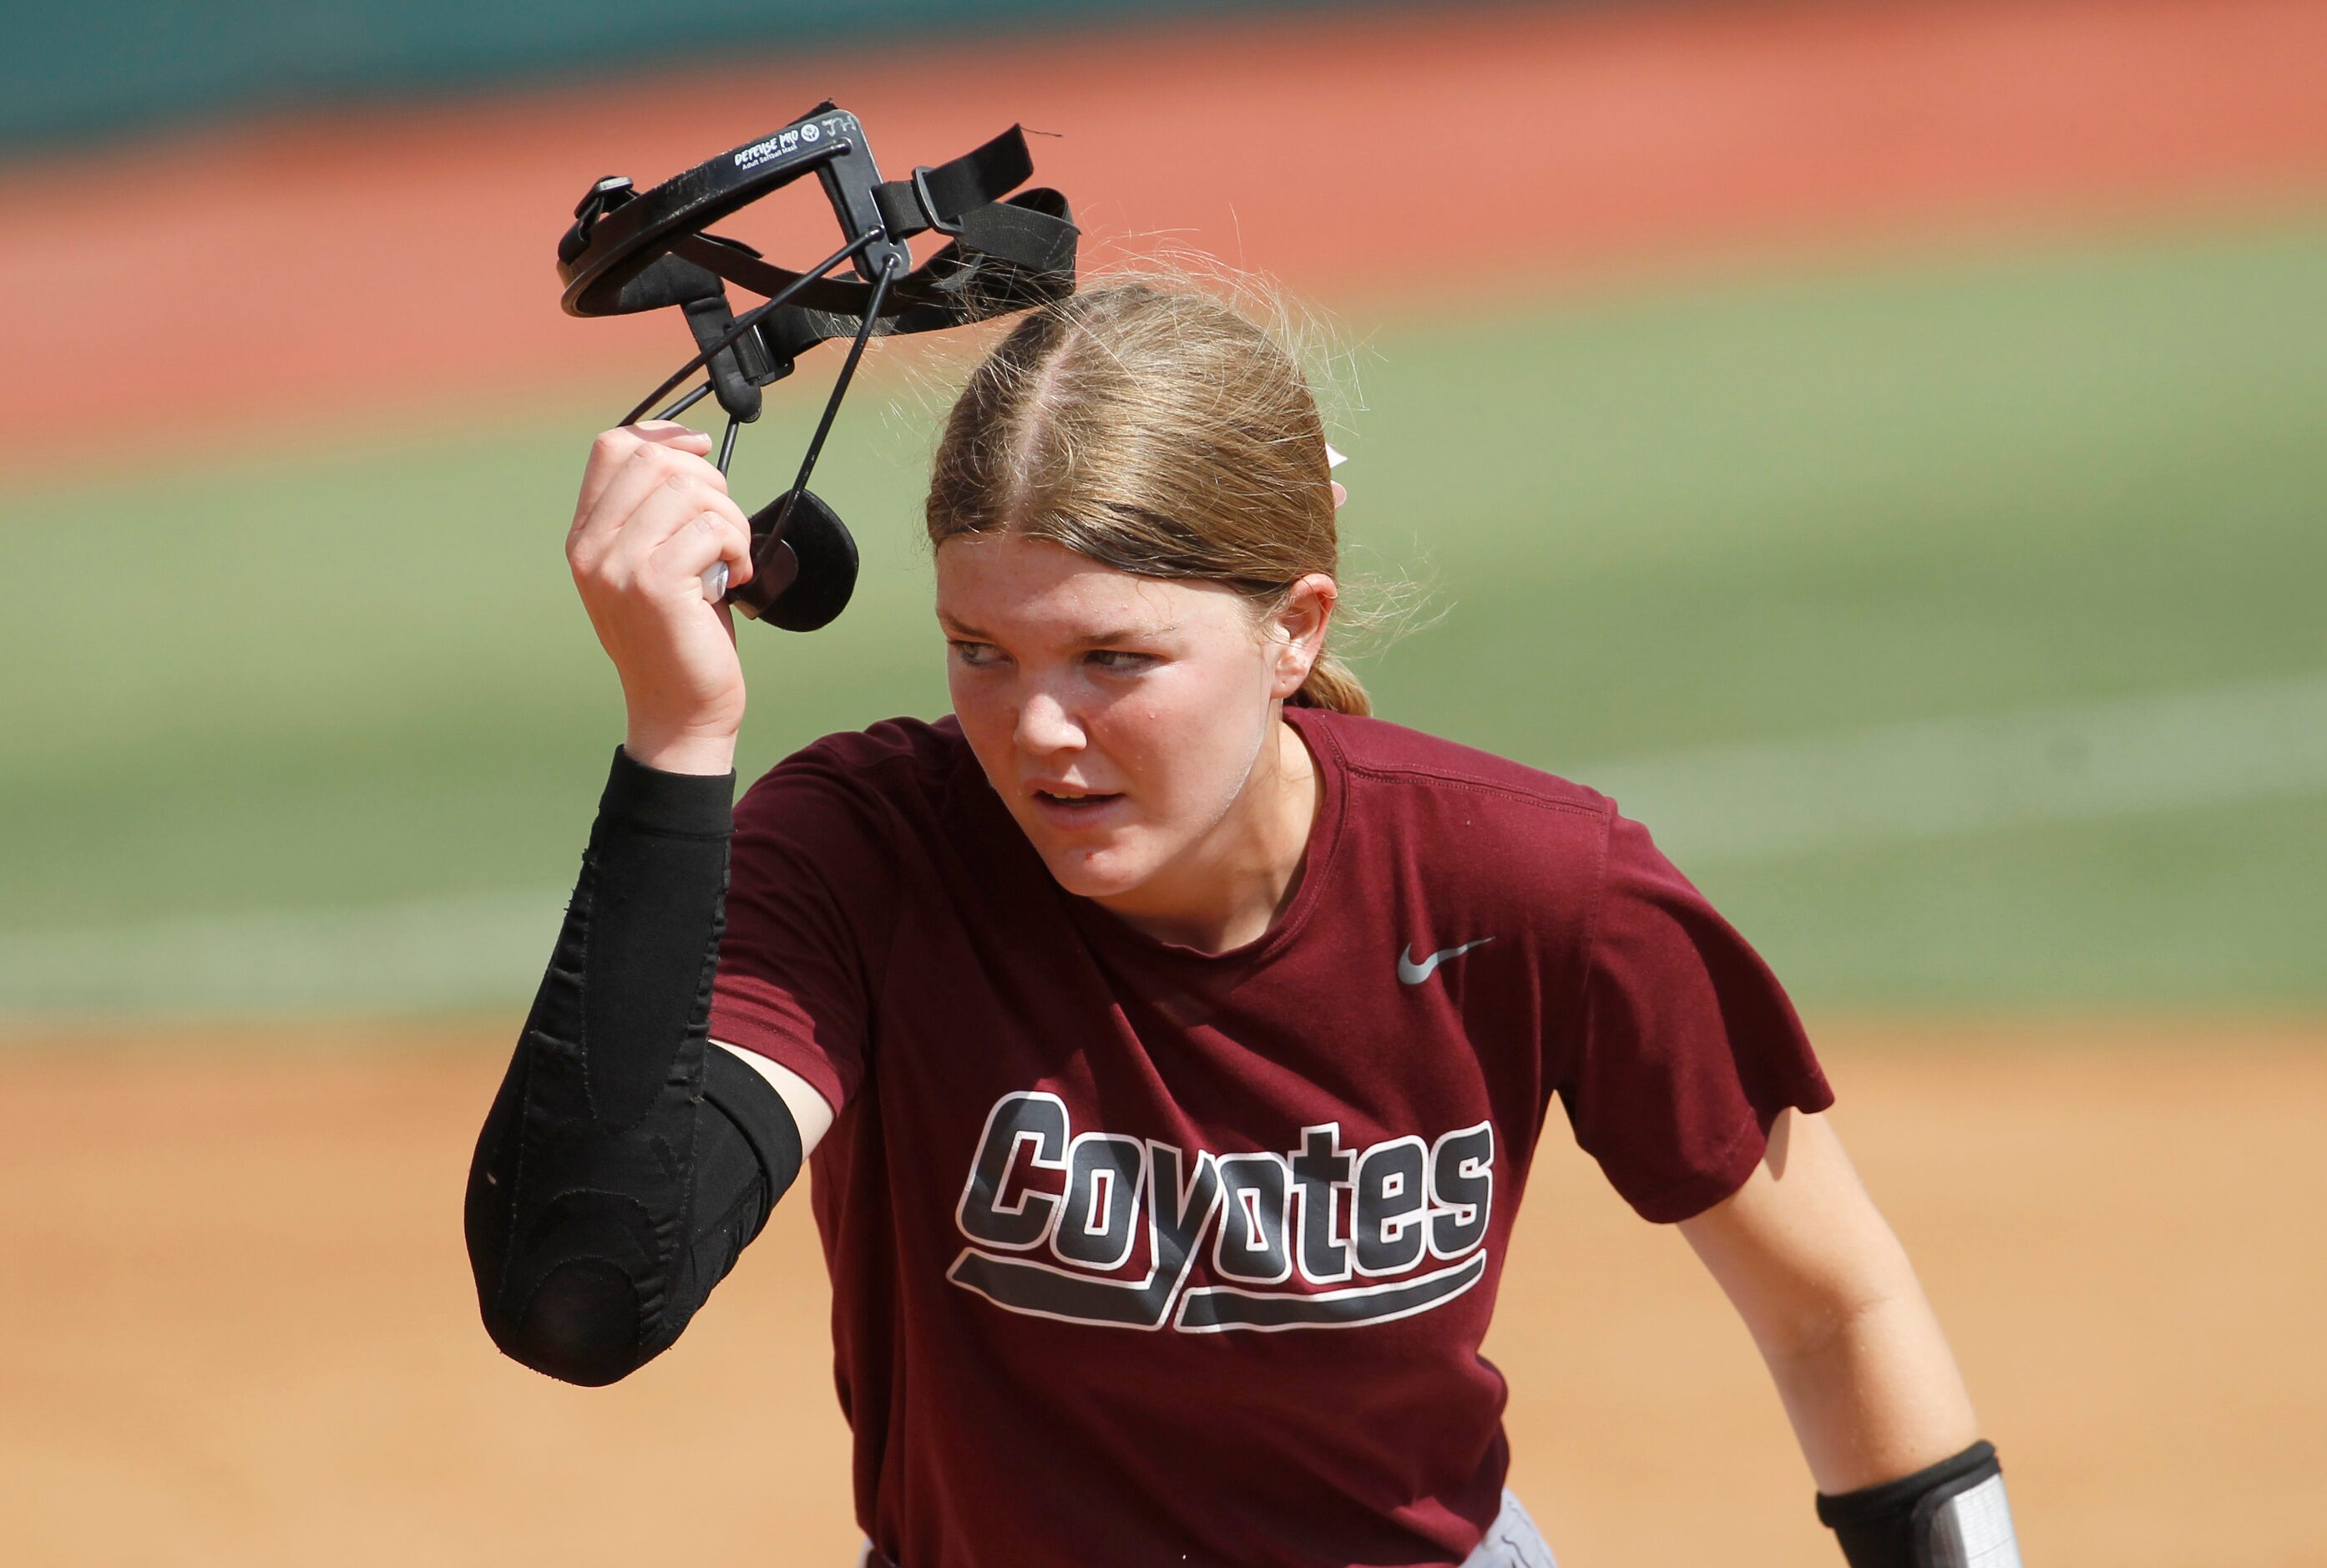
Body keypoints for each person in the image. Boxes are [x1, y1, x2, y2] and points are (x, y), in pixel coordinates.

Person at [465, 280, 2023, 1568]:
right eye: (980, 650)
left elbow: (1836, 1298)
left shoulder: (1527, 886)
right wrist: (677, 731)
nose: (1039, 732)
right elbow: (585, 1290)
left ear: (1296, 629)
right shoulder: (875, 857)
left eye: (1114, 660)